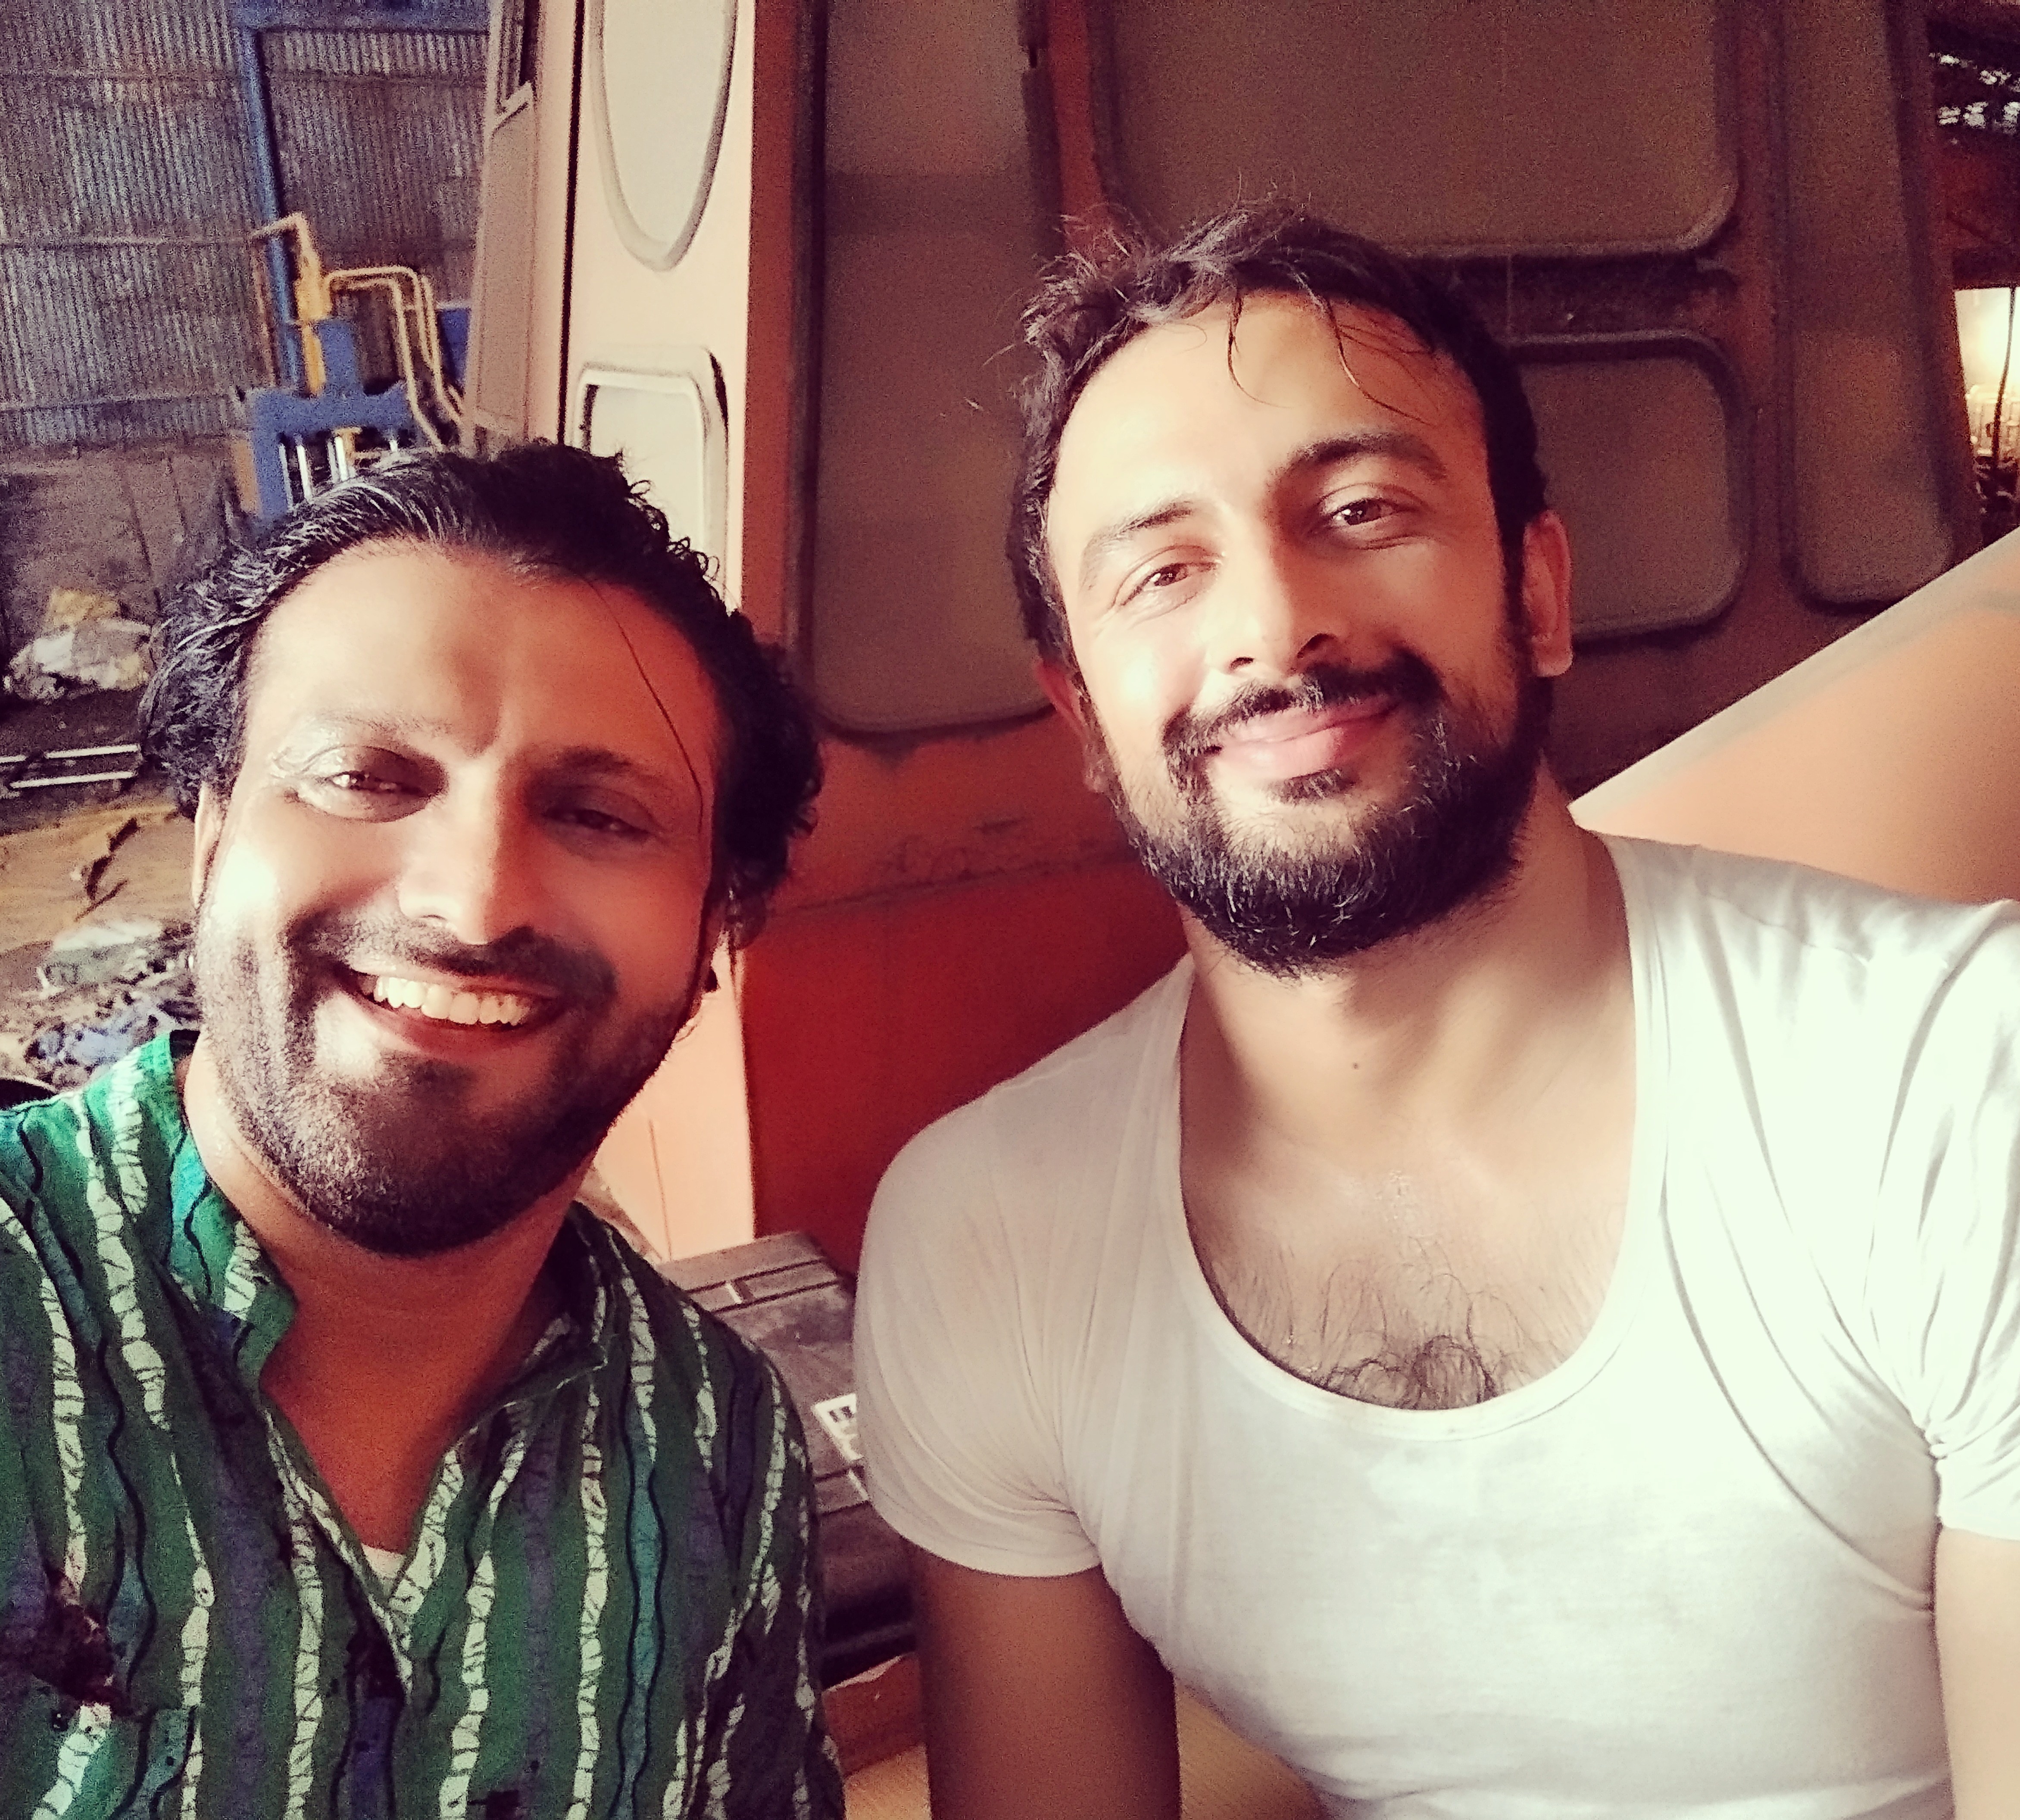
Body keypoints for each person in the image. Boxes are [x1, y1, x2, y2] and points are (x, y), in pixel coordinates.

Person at [854, 206, 2020, 1819]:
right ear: (1083, 717)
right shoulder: (987, 1241)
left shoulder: (1951, 1076)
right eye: (1165, 571)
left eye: (1361, 509)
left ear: (1536, 592)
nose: (1274, 624)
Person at [0, 444, 845, 1817]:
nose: (471, 902)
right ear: (213, 839)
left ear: (715, 929)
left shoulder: (716, 1446)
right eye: (367, 776)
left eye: (596, 814)